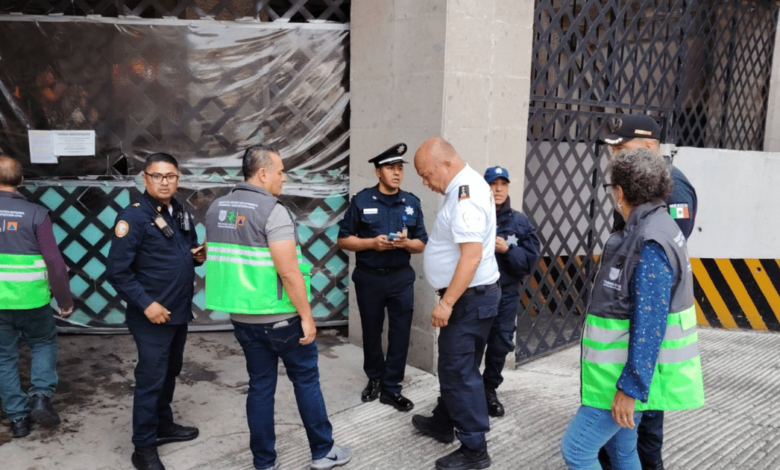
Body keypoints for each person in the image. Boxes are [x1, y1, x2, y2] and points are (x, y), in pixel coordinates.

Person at [204, 144, 351, 470]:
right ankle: (323, 452)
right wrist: (307, 317)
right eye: (281, 172)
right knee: (306, 380)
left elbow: (212, 251)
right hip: (281, 318)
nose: (284, 178)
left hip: (242, 318)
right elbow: (289, 271)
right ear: (263, 173)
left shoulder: (216, 208)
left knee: (260, 387)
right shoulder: (272, 210)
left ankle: (264, 462)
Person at [560, 148, 705, 469]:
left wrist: (631, 387)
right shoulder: (658, 227)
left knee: (577, 450)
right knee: (622, 451)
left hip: (622, 379)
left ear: (620, 193)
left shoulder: (649, 241)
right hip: (622, 373)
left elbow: (650, 321)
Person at [599, 114, 699, 470]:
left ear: (646, 146)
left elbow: (658, 256)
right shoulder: (639, 181)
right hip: (631, 316)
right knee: (625, 428)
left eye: (621, 149)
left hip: (648, 321)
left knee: (646, 426)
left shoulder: (673, 187)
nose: (614, 157)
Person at [106, 153, 204, 470]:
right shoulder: (133, 217)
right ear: (145, 178)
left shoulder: (180, 210)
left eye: (170, 176)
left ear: (178, 179)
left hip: (178, 311)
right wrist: (146, 304)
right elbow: (117, 272)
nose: (164, 182)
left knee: (170, 371)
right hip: (150, 316)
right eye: (157, 176)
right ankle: (143, 447)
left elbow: (184, 247)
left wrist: (196, 256)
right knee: (150, 380)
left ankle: (163, 424)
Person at [410, 138, 500, 470]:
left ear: (446, 164)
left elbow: (471, 256)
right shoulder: (467, 184)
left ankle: (475, 450)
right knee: (461, 366)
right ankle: (443, 421)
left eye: (427, 174)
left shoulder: (465, 196)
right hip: (475, 297)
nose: (425, 182)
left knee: (458, 372)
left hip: (466, 300)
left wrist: (446, 303)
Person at [337, 143, 427, 412]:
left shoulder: (411, 203)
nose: (397, 173)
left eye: (400, 168)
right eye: (390, 168)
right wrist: (371, 244)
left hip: (400, 278)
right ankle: (375, 378)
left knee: (400, 333)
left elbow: (421, 243)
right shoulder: (362, 201)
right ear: (378, 172)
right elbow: (343, 239)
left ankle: (392, 387)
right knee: (372, 331)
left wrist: (406, 244)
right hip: (369, 278)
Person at [0, 155, 73, 438]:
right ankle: (41, 395)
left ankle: (18, 419)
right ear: (20, 180)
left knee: (4, 357)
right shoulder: (36, 214)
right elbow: (54, 262)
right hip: (32, 299)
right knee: (43, 342)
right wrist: (64, 300)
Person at [478, 166, 540, 417]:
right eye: (493, 184)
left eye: (503, 184)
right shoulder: (475, 216)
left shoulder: (519, 222)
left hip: (506, 293)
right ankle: (468, 390)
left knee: (501, 342)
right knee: (473, 342)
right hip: (478, 293)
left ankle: (488, 389)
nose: (498, 189)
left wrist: (508, 250)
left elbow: (528, 264)